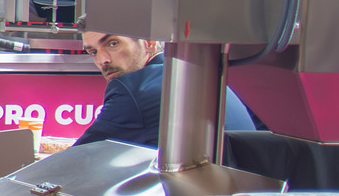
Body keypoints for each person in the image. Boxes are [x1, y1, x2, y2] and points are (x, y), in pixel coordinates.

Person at [75, 30, 256, 150]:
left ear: (149, 42)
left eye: (113, 43)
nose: (102, 60)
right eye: (93, 52)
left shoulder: (134, 89)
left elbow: (76, 163)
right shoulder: (196, 78)